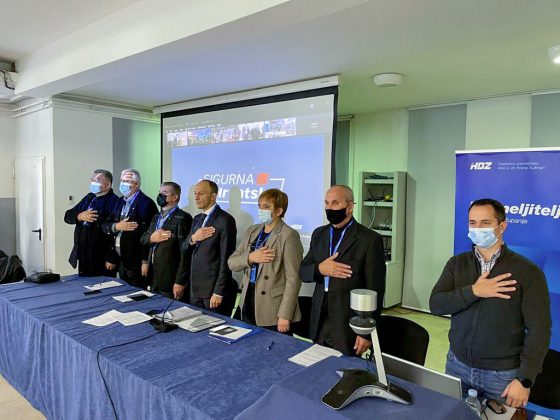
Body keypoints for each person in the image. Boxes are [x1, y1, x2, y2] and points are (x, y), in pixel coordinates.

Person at [430, 198, 551, 407]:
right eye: (473, 223)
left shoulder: (528, 272)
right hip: (457, 365)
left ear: (502, 226)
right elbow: (436, 305)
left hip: (502, 376)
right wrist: (474, 291)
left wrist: (525, 379)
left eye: (485, 223)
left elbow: (539, 329)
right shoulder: (457, 264)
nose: (477, 228)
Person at [300, 185, 386, 356]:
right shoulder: (319, 234)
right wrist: (320, 269)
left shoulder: (369, 239)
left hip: (348, 321)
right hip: (319, 317)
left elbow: (375, 290)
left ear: (350, 207)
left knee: (344, 368)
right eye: (326, 203)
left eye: (335, 203)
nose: (329, 208)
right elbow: (303, 271)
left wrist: (365, 331)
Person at [228, 189, 303, 333]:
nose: (261, 210)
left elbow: (294, 279)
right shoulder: (252, 230)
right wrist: (250, 257)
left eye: (266, 207)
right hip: (247, 299)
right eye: (260, 206)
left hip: (273, 308)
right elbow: (232, 263)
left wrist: (285, 315)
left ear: (279, 211)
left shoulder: (289, 235)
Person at [176, 180, 237, 316]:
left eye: (201, 193)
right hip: (195, 288)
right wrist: (193, 238)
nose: (196, 197)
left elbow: (226, 258)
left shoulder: (225, 220)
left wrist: (219, 291)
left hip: (212, 291)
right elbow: (185, 248)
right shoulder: (197, 218)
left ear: (213, 196)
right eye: (195, 193)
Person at [102, 169, 158, 288]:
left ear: (136, 184)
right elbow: (105, 225)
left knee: (136, 293)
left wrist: (145, 261)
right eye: (122, 180)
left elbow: (149, 234)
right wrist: (116, 226)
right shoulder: (119, 201)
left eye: (127, 181)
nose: (123, 184)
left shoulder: (146, 204)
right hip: (120, 259)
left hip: (136, 261)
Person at [141, 182, 192, 299]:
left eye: (164, 193)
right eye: (160, 192)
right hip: (153, 276)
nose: (160, 196)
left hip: (171, 278)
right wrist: (151, 238)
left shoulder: (183, 218)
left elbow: (185, 252)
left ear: (175, 197)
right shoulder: (156, 217)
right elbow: (143, 238)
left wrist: (180, 281)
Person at [64, 169, 119, 277]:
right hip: (83, 251)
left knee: (102, 284)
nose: (93, 183)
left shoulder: (115, 201)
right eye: (92, 180)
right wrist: (80, 216)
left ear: (108, 185)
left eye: (97, 180)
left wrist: (111, 257)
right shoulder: (89, 198)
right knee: (84, 283)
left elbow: (115, 232)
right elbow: (68, 215)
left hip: (102, 255)